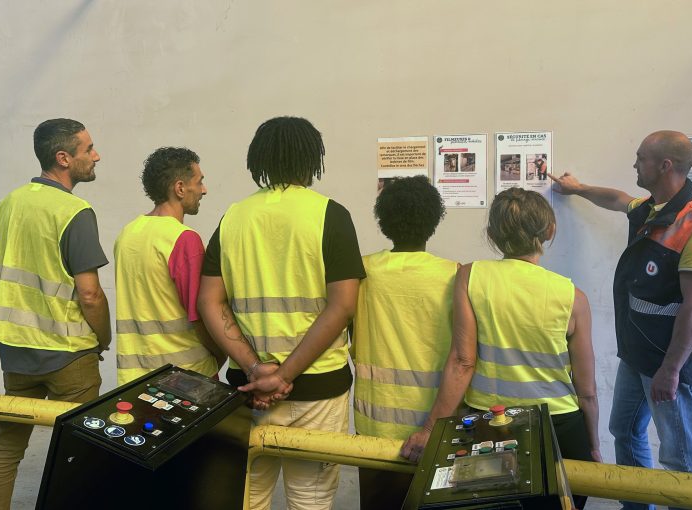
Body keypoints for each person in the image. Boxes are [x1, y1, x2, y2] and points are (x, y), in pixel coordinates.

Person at [198, 116, 365, 510]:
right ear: (312, 159)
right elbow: (342, 305)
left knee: (247, 497)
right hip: (318, 390)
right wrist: (284, 376)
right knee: (311, 500)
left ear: (260, 159)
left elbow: (209, 301)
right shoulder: (330, 215)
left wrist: (257, 371)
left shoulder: (233, 217)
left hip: (249, 390)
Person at [551, 130, 692, 510]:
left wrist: (671, 370)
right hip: (638, 354)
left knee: (680, 457)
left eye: (640, 158)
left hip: (667, 362)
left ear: (664, 166)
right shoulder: (652, 210)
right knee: (624, 431)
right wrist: (576, 189)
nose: (634, 164)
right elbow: (617, 199)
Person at [401, 187, 601, 509]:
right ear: (550, 231)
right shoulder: (573, 297)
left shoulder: (470, 277)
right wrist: (592, 445)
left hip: (490, 427)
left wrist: (429, 430)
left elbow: (463, 362)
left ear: (492, 234)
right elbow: (587, 390)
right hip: (560, 429)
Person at [0, 118, 111, 509]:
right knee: (79, 453)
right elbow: (90, 295)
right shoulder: (74, 211)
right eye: (88, 149)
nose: (96, 155)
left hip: (16, 351)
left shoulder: (9, 204)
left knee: (8, 446)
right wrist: (101, 339)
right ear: (63, 158)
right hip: (68, 353)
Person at [352, 176, 458, 510]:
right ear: (433, 221)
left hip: (373, 427)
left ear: (384, 220)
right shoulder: (454, 275)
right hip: (436, 426)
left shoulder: (363, 272)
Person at [114, 147, 225, 386]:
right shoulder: (184, 239)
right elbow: (201, 315)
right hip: (186, 377)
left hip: (134, 378)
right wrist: (220, 355)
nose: (204, 190)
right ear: (180, 188)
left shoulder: (128, 233)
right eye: (200, 182)